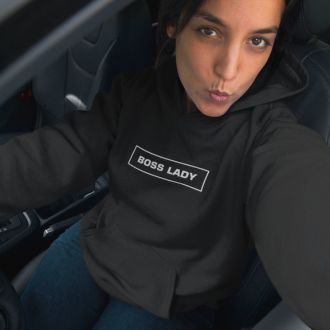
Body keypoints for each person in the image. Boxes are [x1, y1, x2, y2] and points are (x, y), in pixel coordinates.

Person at [0, 0, 329, 329]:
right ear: (173, 24)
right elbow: (56, 153)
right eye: (209, 31)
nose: (229, 70)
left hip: (179, 297)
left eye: (257, 41)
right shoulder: (138, 93)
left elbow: (303, 213)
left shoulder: (271, 134)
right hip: (93, 249)